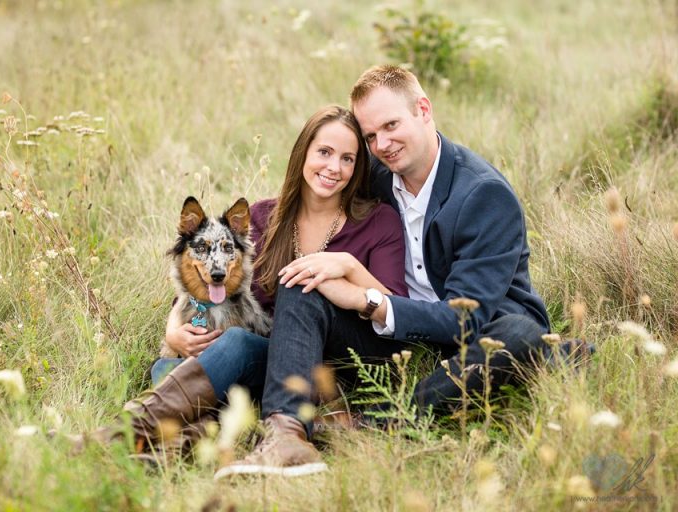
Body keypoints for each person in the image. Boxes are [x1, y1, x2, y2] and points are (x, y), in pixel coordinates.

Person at [213, 65, 552, 479]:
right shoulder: (374, 173)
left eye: (391, 126)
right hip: (393, 339)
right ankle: (285, 434)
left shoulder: (482, 194)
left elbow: (465, 318)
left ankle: (368, 424)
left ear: (423, 110)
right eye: (371, 136)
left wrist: (365, 295)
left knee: (519, 337)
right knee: (304, 283)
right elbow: (308, 195)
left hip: (474, 336)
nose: (383, 145)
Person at [99, 105, 408, 462]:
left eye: (348, 159)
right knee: (170, 366)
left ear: (357, 169)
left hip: (324, 364)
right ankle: (171, 450)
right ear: (302, 153)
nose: (334, 168)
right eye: (324, 152)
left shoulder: (377, 222)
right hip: (263, 356)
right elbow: (218, 281)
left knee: (231, 348)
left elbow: (395, 308)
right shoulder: (264, 217)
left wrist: (348, 266)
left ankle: (118, 435)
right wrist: (173, 328)